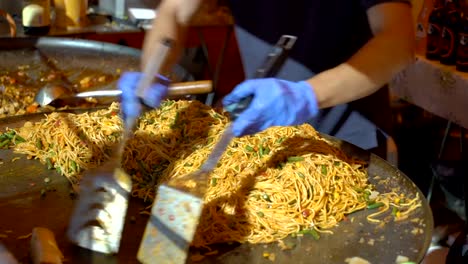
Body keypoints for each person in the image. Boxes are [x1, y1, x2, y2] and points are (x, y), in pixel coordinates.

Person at [118, 0, 415, 157]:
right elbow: (175, 10)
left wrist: (306, 95)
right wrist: (152, 71)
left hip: (350, 142)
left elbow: (398, 41)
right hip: (264, 135)